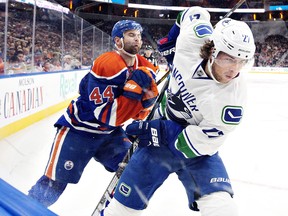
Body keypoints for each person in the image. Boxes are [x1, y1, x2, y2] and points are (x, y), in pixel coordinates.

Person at [102, 6, 255, 216]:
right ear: (212, 50)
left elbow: (196, 143)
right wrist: (172, 38)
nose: (234, 69)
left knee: (222, 207)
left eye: (242, 61)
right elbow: (192, 13)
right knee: (122, 210)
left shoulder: (232, 101)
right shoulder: (192, 40)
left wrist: (161, 130)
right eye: (228, 58)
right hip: (157, 145)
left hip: (196, 152)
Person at [28, 20, 159, 207]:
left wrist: (146, 101)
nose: (137, 39)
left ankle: (114, 211)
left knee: (135, 169)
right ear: (118, 40)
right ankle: (25, 210)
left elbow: (140, 113)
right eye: (131, 35)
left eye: (138, 35)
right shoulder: (108, 64)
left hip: (109, 133)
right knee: (52, 186)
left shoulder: (144, 64)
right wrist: (134, 94)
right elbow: (106, 115)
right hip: (79, 131)